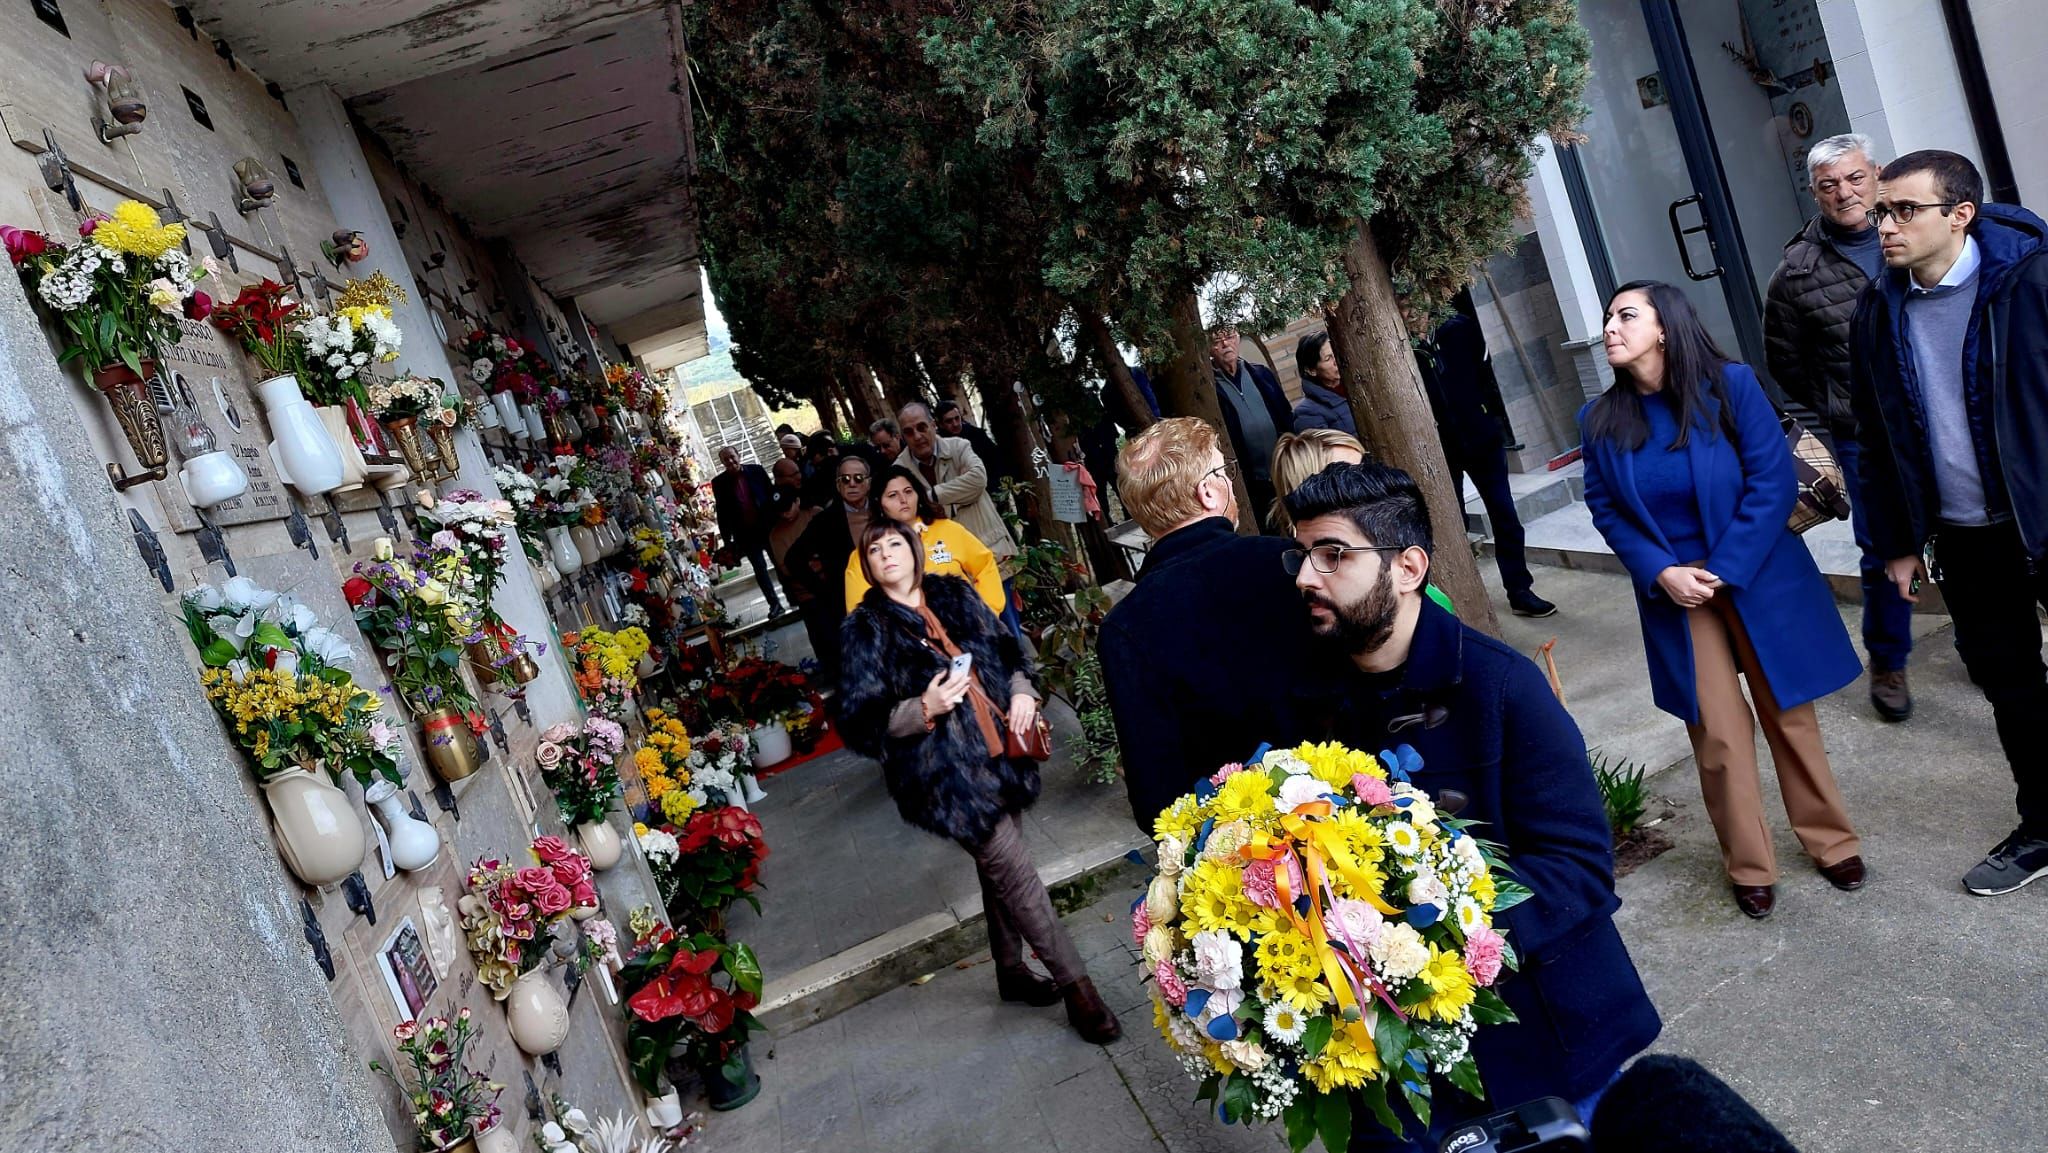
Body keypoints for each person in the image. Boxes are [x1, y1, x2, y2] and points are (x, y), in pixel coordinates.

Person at [1280, 462, 1660, 1149]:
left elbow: (1578, 870)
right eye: (1302, 555)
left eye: (1332, 554)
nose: (1307, 576)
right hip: (1394, 1070)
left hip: (1543, 1051)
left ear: (1408, 566)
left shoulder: (1503, 688)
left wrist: (1428, 942)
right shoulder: (1307, 699)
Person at [1581, 281, 1865, 918]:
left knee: (1789, 716)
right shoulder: (1598, 421)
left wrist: (1725, 567)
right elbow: (1606, 509)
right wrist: (1662, 572)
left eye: (1626, 315)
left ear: (1665, 327)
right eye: (1607, 318)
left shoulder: (1730, 386)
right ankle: (1750, 864)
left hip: (1755, 574)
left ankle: (1830, 841)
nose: (1609, 328)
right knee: (1717, 735)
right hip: (1677, 598)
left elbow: (1770, 482)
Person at [837, 518, 1122, 1044]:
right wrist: (923, 706)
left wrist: (1022, 692)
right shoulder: (866, 628)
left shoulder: (954, 593)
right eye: (875, 550)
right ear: (868, 566)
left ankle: (1010, 972)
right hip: (947, 781)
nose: (887, 554)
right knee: (1017, 877)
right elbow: (858, 721)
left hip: (1001, 756)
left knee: (1000, 874)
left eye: (896, 543)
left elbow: (1009, 651)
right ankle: (1082, 992)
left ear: (916, 549)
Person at [1848, 149, 2048, 895]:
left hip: (2045, 517)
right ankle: (2043, 823)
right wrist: (1898, 542)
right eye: (1881, 212)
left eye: (1904, 210)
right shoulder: (1878, 310)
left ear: (1960, 213)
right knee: (2011, 688)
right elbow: (1874, 437)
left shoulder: (2031, 280)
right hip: (1967, 537)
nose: (1887, 226)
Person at [1099, 417, 1319, 830]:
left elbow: (1154, 799)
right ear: (1207, 491)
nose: (1231, 484)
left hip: (1226, 851)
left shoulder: (1123, 628)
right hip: (1340, 811)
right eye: (1224, 472)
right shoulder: (1287, 562)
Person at [1764, 133, 1913, 721]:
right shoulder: (1795, 273)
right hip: (1863, 434)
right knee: (1882, 549)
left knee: (1968, 534)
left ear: (1876, 174)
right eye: (1830, 185)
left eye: (1854, 178)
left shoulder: (1916, 230)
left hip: (1941, 415)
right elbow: (1786, 364)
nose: (1844, 193)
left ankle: (1980, 639)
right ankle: (1890, 660)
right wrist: (1836, 415)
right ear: (1814, 193)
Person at [1419, 301, 1555, 618]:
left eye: (1415, 303)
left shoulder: (1459, 328)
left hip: (1482, 438)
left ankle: (1520, 590)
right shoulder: (1404, 345)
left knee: (1505, 514)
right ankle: (1461, 600)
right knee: (1453, 524)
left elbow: (1486, 375)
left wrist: (1488, 417)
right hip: (1441, 449)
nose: (1412, 311)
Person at [896, 400, 1021, 632]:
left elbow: (977, 480)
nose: (918, 436)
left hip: (987, 554)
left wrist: (931, 495)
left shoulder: (959, 447)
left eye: (922, 427)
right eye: (909, 431)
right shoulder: (900, 469)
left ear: (933, 425)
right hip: (945, 568)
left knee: (1006, 628)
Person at [844, 466, 1006, 617]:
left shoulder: (948, 530)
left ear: (918, 495)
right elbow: (860, 611)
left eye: (908, 491)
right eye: (892, 495)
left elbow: (985, 565)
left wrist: (986, 613)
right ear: (879, 504)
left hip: (964, 631)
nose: (903, 499)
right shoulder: (867, 553)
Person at [788, 452, 874, 681]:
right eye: (845, 479)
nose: (852, 484)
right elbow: (793, 558)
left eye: (858, 478)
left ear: (869, 481)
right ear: (837, 485)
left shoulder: (884, 509)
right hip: (851, 609)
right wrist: (823, 591)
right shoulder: (825, 522)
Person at [1207, 323, 1295, 529]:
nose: (1225, 344)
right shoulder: (1213, 388)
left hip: (1282, 472)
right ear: (1210, 349)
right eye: (1217, 342)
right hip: (1251, 481)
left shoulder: (1261, 374)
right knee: (1269, 529)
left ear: (1237, 338)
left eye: (1229, 337)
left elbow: (1286, 415)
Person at [710, 445, 787, 618]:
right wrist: (727, 540)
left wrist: (780, 519)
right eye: (726, 459)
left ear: (738, 455)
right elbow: (722, 511)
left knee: (780, 562)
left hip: (767, 527)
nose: (730, 461)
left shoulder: (756, 471)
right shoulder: (719, 483)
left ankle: (792, 594)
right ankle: (774, 604)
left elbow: (770, 494)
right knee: (760, 569)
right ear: (722, 462)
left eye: (732, 456)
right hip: (745, 533)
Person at [1289, 330, 1355, 434]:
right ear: (1311, 370)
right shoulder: (1307, 414)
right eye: (1328, 358)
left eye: (1336, 353)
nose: (1336, 361)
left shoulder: (1359, 386)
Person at [936, 398, 1012, 485]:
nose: (955, 424)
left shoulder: (977, 435)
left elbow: (996, 461)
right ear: (941, 424)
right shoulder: (939, 445)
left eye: (957, 418)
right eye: (949, 421)